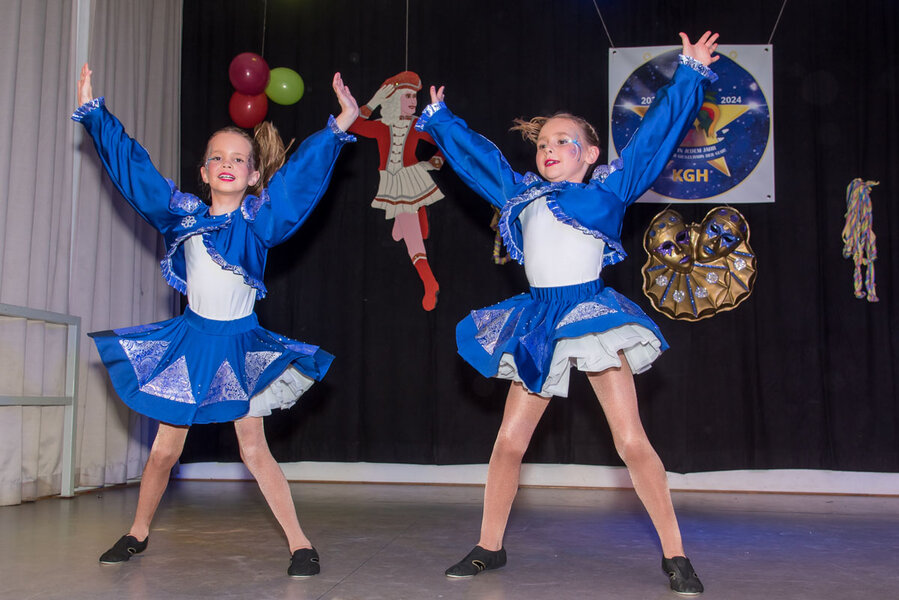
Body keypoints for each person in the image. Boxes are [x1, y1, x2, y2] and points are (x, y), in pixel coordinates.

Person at [415, 32, 720, 595]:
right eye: (543, 144)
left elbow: (653, 140)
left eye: (563, 141)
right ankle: (489, 544)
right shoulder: (519, 195)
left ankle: (676, 555)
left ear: (590, 154)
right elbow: (480, 161)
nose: (549, 149)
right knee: (509, 442)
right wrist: (441, 121)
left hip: (589, 314)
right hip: (538, 320)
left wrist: (689, 74)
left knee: (630, 440)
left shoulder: (609, 191)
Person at [72, 63, 359, 577]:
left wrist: (339, 126)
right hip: (189, 343)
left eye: (239, 159)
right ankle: (137, 533)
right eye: (217, 158)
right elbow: (136, 173)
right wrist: (97, 116)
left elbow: (297, 183)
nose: (228, 164)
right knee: (164, 451)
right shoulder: (181, 216)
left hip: (241, 346)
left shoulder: (259, 222)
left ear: (253, 176)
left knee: (254, 449)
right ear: (203, 173)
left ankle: (300, 543)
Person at [349, 71, 444, 310]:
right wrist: (373, 102)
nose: (413, 101)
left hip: (409, 179)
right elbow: (352, 124)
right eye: (407, 96)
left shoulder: (418, 124)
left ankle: (429, 282)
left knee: (412, 238)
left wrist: (434, 162)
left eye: (415, 96)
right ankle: (417, 211)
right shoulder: (382, 126)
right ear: (392, 99)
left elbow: (444, 140)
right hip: (390, 183)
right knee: (397, 233)